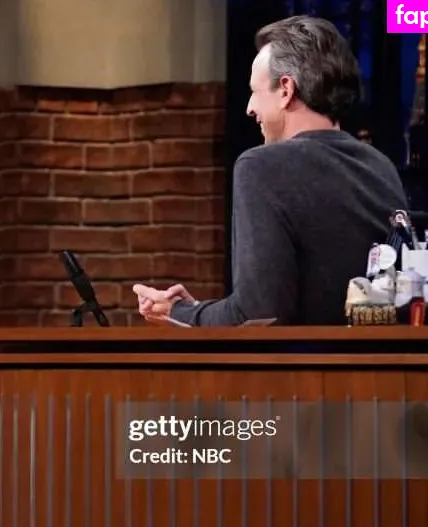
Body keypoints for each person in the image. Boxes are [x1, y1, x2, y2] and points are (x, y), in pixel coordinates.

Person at [133, 16, 404, 326]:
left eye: (255, 91)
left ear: (286, 89)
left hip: (303, 359)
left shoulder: (261, 167)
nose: (249, 108)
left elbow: (259, 315)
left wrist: (177, 312)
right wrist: (197, 312)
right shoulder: (381, 167)